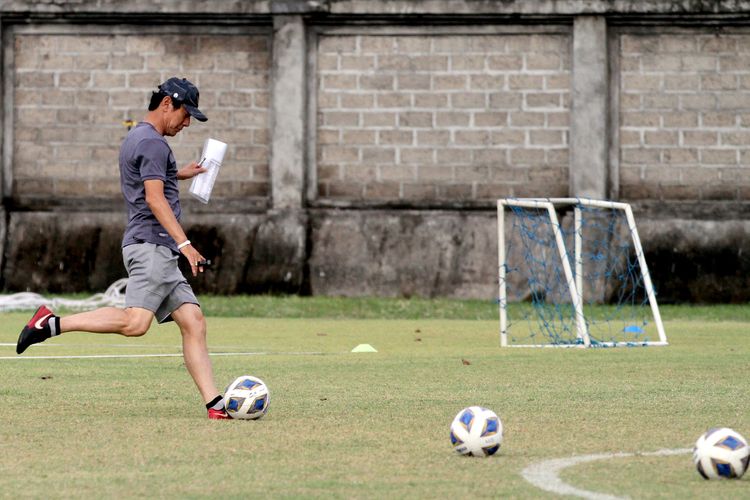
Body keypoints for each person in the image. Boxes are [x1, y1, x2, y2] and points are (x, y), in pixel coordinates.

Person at [16, 77, 230, 420]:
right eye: (186, 113)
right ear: (166, 104)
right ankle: (51, 323)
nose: (187, 122)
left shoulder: (138, 137)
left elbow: (148, 180)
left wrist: (179, 173)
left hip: (154, 247)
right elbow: (154, 198)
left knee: (193, 320)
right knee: (135, 324)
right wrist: (186, 245)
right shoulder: (155, 145)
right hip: (152, 246)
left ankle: (215, 406)